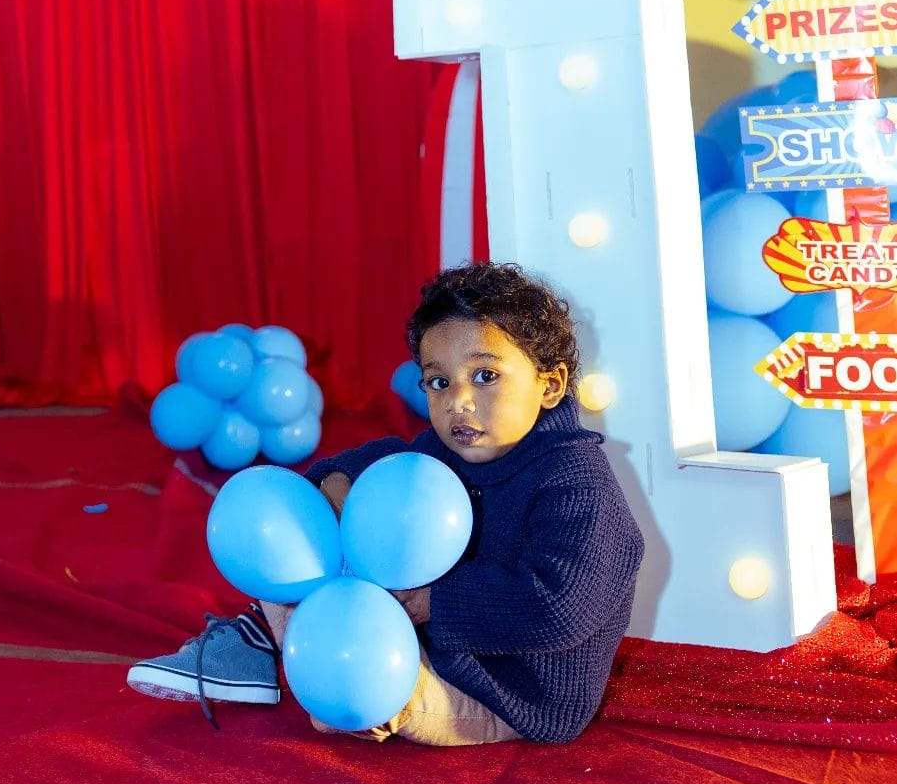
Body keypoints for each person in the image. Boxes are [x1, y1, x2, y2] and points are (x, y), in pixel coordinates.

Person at [127, 261, 645, 745]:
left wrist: (433, 602)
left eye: (485, 376)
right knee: (289, 530)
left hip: (508, 694)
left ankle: (354, 688)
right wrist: (335, 484)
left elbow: (558, 609)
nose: (458, 401)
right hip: (428, 642)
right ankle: (265, 646)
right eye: (439, 382)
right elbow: (381, 456)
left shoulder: (578, 486)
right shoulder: (447, 447)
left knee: (345, 698)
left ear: (550, 385)